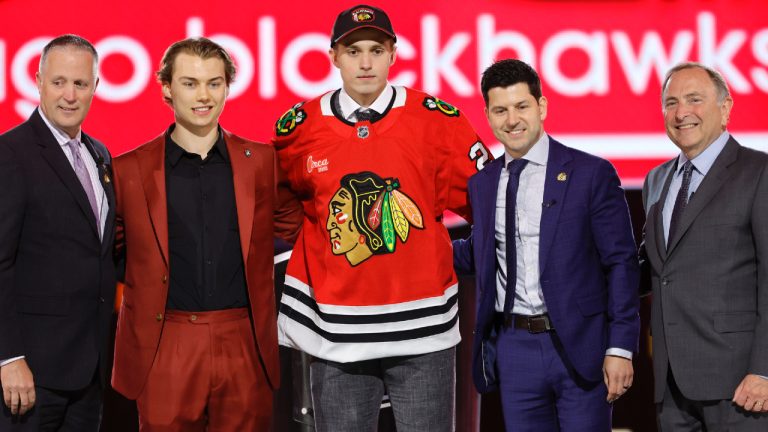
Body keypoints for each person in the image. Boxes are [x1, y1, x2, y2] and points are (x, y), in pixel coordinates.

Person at [272, 4, 491, 431]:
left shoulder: (436, 122)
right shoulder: (298, 129)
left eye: (376, 49)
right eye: (353, 51)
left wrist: (449, 255)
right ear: (334, 56)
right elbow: (278, 205)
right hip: (334, 330)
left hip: (423, 327)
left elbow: (488, 204)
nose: (366, 62)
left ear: (394, 53)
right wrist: (322, 248)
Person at [109, 37, 302, 431]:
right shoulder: (128, 169)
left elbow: (299, 230)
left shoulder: (261, 162)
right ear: (167, 88)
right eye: (190, 83)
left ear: (227, 87)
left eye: (214, 83)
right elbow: (110, 253)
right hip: (164, 341)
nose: (204, 95)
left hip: (244, 339)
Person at [453, 59, 640, 431]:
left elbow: (621, 263)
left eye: (522, 106)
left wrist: (620, 347)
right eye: (500, 110)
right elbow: (482, 252)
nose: (512, 120)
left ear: (542, 106)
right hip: (514, 348)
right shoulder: (484, 183)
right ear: (488, 116)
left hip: (580, 346)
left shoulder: (591, 173)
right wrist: (419, 244)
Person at [640, 62, 768, 430]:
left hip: (741, 384)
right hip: (672, 384)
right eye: (671, 102)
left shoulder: (759, 172)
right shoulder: (657, 179)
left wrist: (764, 369)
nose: (682, 113)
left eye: (695, 99)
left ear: (725, 108)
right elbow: (654, 268)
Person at [0, 34, 115, 431]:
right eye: (59, 82)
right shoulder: (10, 153)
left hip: (90, 372)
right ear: (38, 81)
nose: (70, 95)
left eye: (81, 84)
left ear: (96, 87)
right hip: (30, 374)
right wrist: (9, 357)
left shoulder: (99, 153)